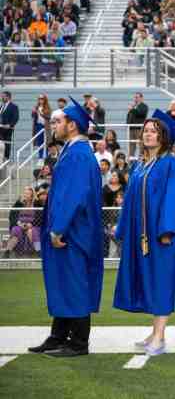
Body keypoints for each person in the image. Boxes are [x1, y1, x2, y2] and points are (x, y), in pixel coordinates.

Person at [28, 97, 103, 357]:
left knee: (75, 284)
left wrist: (58, 228)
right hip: (70, 229)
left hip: (73, 232)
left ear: (72, 125)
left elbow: (74, 195)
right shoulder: (71, 151)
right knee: (64, 282)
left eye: (58, 121)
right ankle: (58, 335)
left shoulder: (79, 154)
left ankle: (79, 342)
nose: (54, 125)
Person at [113, 109, 175, 356]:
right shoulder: (141, 165)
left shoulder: (170, 165)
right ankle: (154, 332)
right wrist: (122, 228)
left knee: (161, 282)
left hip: (160, 235)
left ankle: (160, 337)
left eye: (153, 131)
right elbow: (131, 200)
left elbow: (173, 199)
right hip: (140, 234)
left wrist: (167, 230)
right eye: (146, 131)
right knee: (149, 282)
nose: (147, 134)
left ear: (163, 137)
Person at [126, 92, 149, 158]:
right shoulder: (133, 107)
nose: (135, 99)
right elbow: (129, 116)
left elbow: (140, 113)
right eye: (135, 97)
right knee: (131, 146)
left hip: (139, 129)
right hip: (131, 128)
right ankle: (131, 160)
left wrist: (132, 109)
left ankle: (141, 159)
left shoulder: (144, 106)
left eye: (137, 97)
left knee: (141, 145)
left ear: (141, 98)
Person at [0, 91, 19, 160]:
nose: (2, 98)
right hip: (0, 129)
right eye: (1, 96)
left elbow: (16, 117)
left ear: (8, 97)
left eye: (3, 96)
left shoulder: (13, 107)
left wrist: (10, 125)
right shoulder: (1, 106)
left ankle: (6, 158)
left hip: (7, 130)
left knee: (7, 145)